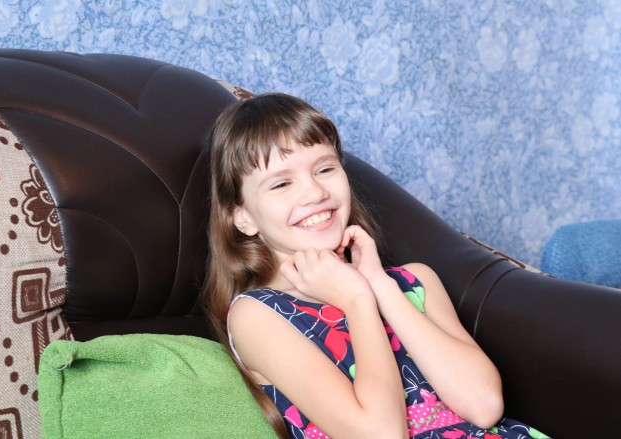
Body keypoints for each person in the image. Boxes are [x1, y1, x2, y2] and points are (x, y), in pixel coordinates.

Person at [203, 93, 546, 439]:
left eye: (325, 169)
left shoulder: (415, 281)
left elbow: (484, 407)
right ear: (243, 218)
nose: (315, 192)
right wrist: (357, 301)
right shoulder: (258, 315)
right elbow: (382, 435)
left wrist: (378, 285)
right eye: (281, 183)